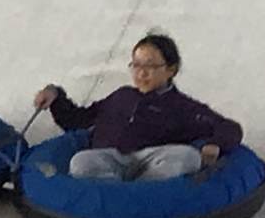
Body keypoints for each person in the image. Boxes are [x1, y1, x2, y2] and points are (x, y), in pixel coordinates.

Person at [33, 32, 241, 181]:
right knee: (80, 162)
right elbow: (77, 120)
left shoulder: (183, 106)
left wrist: (215, 144)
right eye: (136, 65)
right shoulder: (121, 96)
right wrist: (55, 96)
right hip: (110, 159)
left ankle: (141, 190)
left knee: (187, 157)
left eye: (150, 66)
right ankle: (114, 192)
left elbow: (228, 127)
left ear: (171, 69)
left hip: (151, 163)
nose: (141, 73)